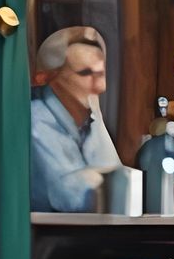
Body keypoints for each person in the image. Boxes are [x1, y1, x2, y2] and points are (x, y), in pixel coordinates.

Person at [30, 26, 122, 211]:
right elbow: (73, 199)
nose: (101, 87)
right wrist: (105, 181)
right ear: (48, 78)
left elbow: (118, 184)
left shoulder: (90, 119)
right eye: (86, 74)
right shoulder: (35, 121)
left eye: (101, 75)